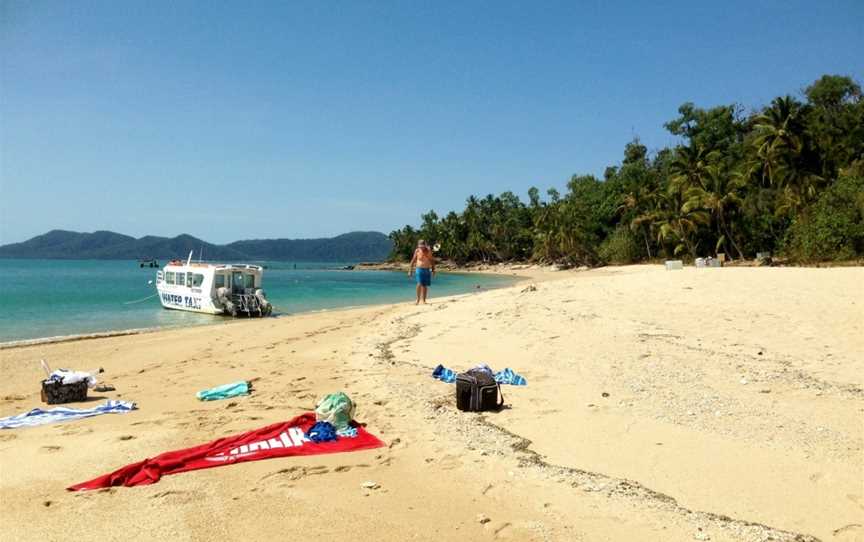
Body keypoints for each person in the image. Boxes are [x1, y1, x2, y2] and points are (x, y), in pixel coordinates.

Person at [408, 239, 436, 304]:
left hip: (427, 269)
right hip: (419, 269)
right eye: (420, 246)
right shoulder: (417, 250)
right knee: (419, 283)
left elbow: (432, 260)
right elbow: (413, 260)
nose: (421, 247)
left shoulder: (428, 251)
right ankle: (417, 300)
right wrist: (410, 270)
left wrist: (433, 270)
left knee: (425, 285)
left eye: (422, 246)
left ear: (425, 245)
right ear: (418, 245)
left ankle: (423, 300)